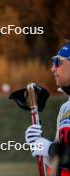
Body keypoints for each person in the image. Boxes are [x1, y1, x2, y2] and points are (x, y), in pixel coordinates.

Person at [25, 43, 70, 175]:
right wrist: (40, 147)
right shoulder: (65, 108)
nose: (52, 69)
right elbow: (60, 162)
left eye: (57, 62)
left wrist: (50, 148)